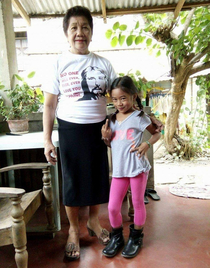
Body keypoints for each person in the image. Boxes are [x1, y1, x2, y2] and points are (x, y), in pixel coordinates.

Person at [42, 6, 117, 261]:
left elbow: (118, 99)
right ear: (66, 33)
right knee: (72, 180)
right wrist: (46, 140)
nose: (79, 32)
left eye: (85, 27)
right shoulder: (59, 63)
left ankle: (94, 222)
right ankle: (73, 229)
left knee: (97, 177)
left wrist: (113, 127)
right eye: (74, 27)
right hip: (70, 129)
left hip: (98, 129)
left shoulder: (104, 64)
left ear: (91, 33)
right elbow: (50, 105)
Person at [101, 76, 161, 258]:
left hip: (137, 169)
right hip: (119, 170)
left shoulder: (140, 117)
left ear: (133, 96)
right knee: (112, 207)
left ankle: (136, 237)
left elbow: (158, 133)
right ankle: (117, 237)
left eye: (123, 98)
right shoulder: (111, 119)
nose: (119, 103)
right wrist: (105, 138)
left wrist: (147, 144)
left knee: (137, 203)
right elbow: (114, 145)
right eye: (115, 99)